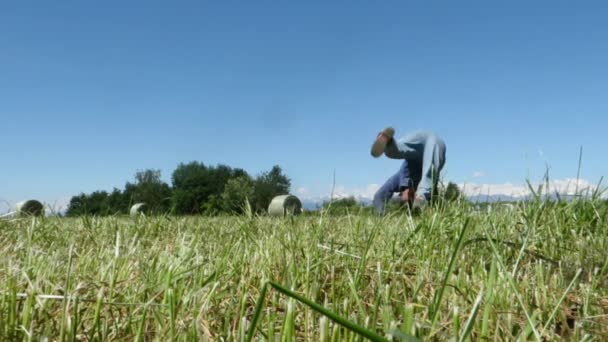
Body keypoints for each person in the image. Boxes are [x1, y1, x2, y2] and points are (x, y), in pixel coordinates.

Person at [371, 127, 446, 214]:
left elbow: (410, 190)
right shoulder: (400, 180)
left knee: (429, 171)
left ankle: (421, 199)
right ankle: (390, 144)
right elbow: (379, 196)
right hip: (419, 141)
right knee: (400, 148)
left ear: (402, 192)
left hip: (431, 142)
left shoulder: (401, 179)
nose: (410, 199)